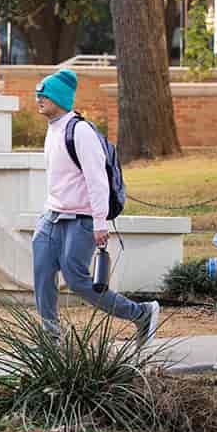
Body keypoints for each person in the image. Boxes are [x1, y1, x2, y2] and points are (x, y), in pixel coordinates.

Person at [32, 69, 160, 340]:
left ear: (61, 98)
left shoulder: (79, 131)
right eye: (37, 94)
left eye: (44, 94)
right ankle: (51, 338)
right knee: (43, 274)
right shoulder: (53, 130)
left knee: (79, 282)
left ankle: (141, 313)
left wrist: (100, 223)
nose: (38, 99)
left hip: (81, 220)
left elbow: (97, 180)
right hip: (52, 216)